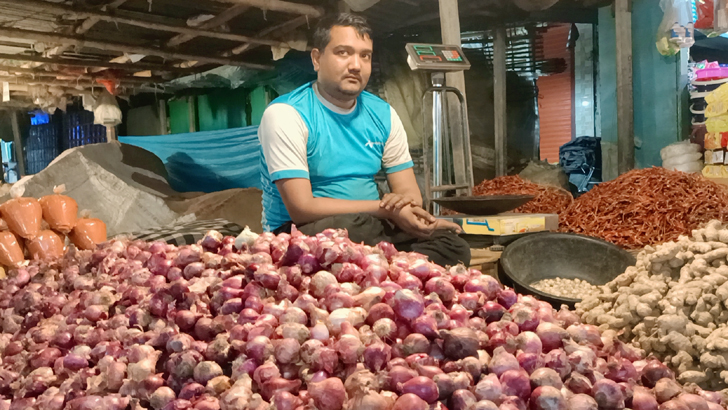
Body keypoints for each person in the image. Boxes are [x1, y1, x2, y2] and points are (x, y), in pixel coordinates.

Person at [257, 12, 471, 267]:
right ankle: (394, 268)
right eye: (343, 53)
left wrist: (405, 210)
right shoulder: (286, 114)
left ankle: (383, 270)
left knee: (451, 244)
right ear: (316, 58)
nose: (356, 65)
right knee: (350, 227)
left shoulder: (383, 114)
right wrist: (384, 207)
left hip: (371, 224)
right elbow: (301, 207)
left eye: (364, 55)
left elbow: (408, 193)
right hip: (301, 232)